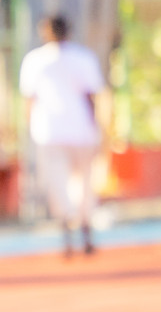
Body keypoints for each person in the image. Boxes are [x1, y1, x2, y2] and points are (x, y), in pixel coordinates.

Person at [19, 14, 106, 257]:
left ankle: (68, 231)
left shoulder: (35, 60)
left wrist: (29, 128)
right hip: (80, 131)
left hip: (50, 132)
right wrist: (97, 128)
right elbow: (91, 97)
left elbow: (29, 100)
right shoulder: (83, 58)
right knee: (83, 183)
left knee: (58, 184)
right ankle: (85, 230)